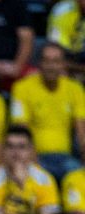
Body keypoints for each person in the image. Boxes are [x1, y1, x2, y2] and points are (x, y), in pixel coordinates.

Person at [10, 44, 85, 182]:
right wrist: (32, 159)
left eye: (56, 61)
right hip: (35, 157)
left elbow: (82, 132)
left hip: (66, 158)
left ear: (63, 64)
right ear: (39, 63)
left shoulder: (75, 89)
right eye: (47, 60)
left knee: (77, 179)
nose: (51, 66)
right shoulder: (21, 88)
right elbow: (21, 129)